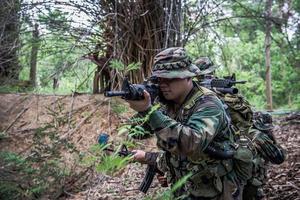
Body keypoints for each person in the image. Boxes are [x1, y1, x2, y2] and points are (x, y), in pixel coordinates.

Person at [127, 47, 243, 199]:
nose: (163, 83)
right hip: (185, 187)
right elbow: (137, 133)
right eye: (160, 79)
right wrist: (143, 107)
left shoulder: (208, 103)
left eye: (171, 78)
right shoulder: (167, 102)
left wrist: (151, 111)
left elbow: (190, 143)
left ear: (188, 76)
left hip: (215, 190)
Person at [243, 111, 285, 200]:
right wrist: (273, 139)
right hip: (250, 182)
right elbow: (279, 158)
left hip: (239, 179)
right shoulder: (260, 136)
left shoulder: (242, 130)